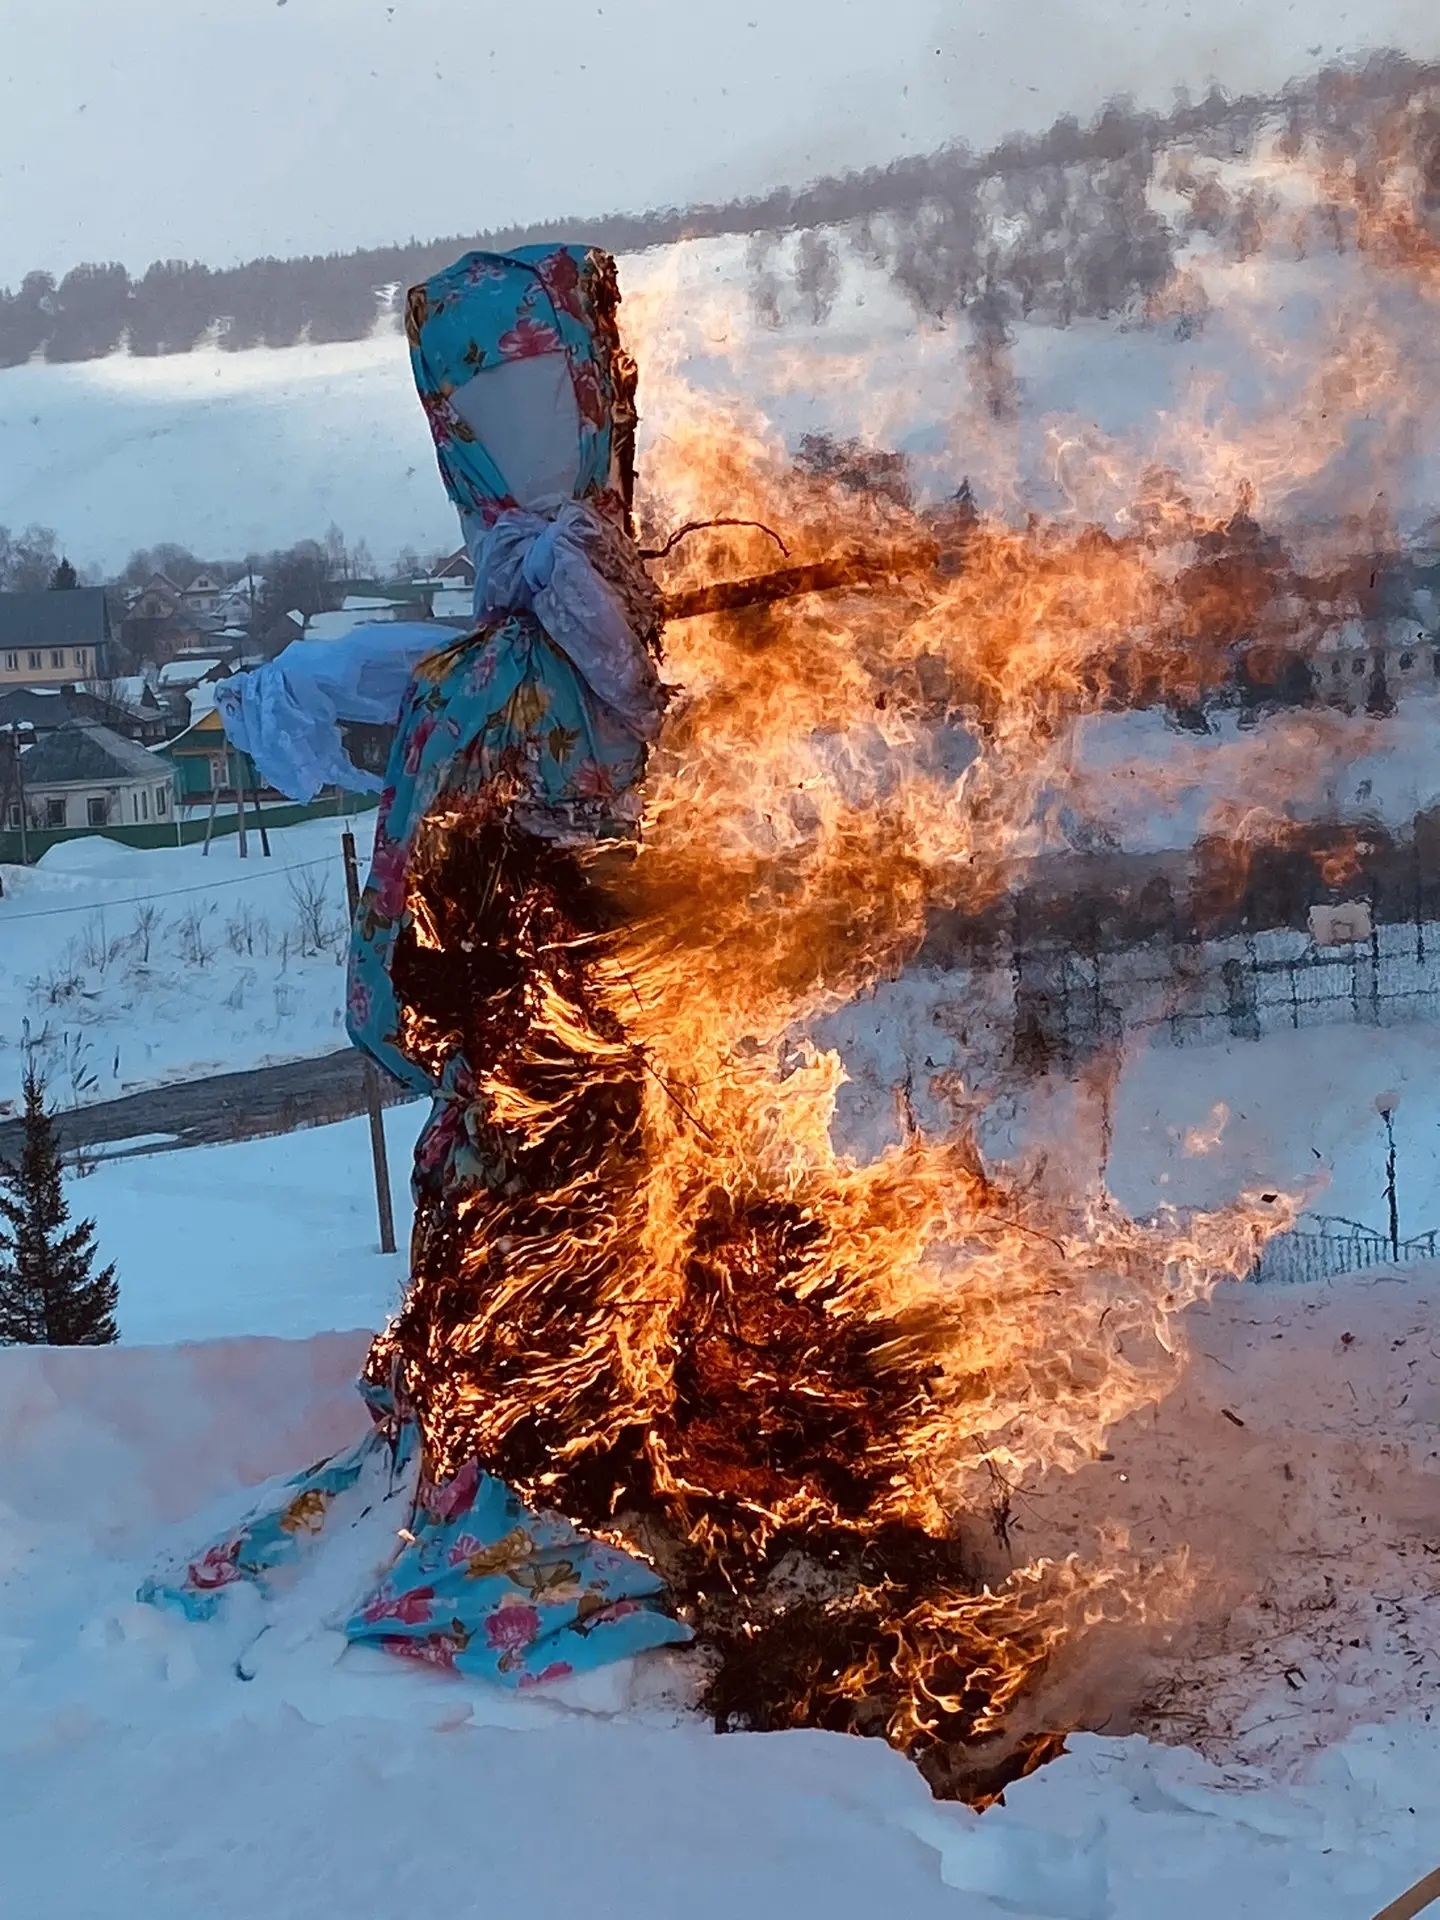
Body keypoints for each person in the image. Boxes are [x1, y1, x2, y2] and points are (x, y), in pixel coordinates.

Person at [147, 245, 690, 1688]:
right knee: (576, 1286)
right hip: (592, 1051)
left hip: (580, 1055)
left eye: (538, 395)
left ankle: (581, 1481)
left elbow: (397, 948)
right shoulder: (573, 631)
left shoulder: (527, 656)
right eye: (495, 405)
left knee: (589, 1277)